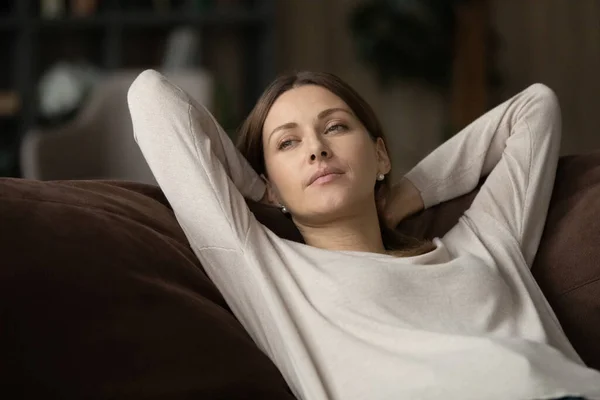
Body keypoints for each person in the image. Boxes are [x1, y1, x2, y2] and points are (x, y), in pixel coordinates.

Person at [127, 69, 600, 400]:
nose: (316, 149)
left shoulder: (484, 242)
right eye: (287, 142)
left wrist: (404, 197)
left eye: (334, 126)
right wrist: (263, 193)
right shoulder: (270, 272)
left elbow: (534, 108)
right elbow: (151, 96)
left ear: (381, 155)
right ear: (269, 180)